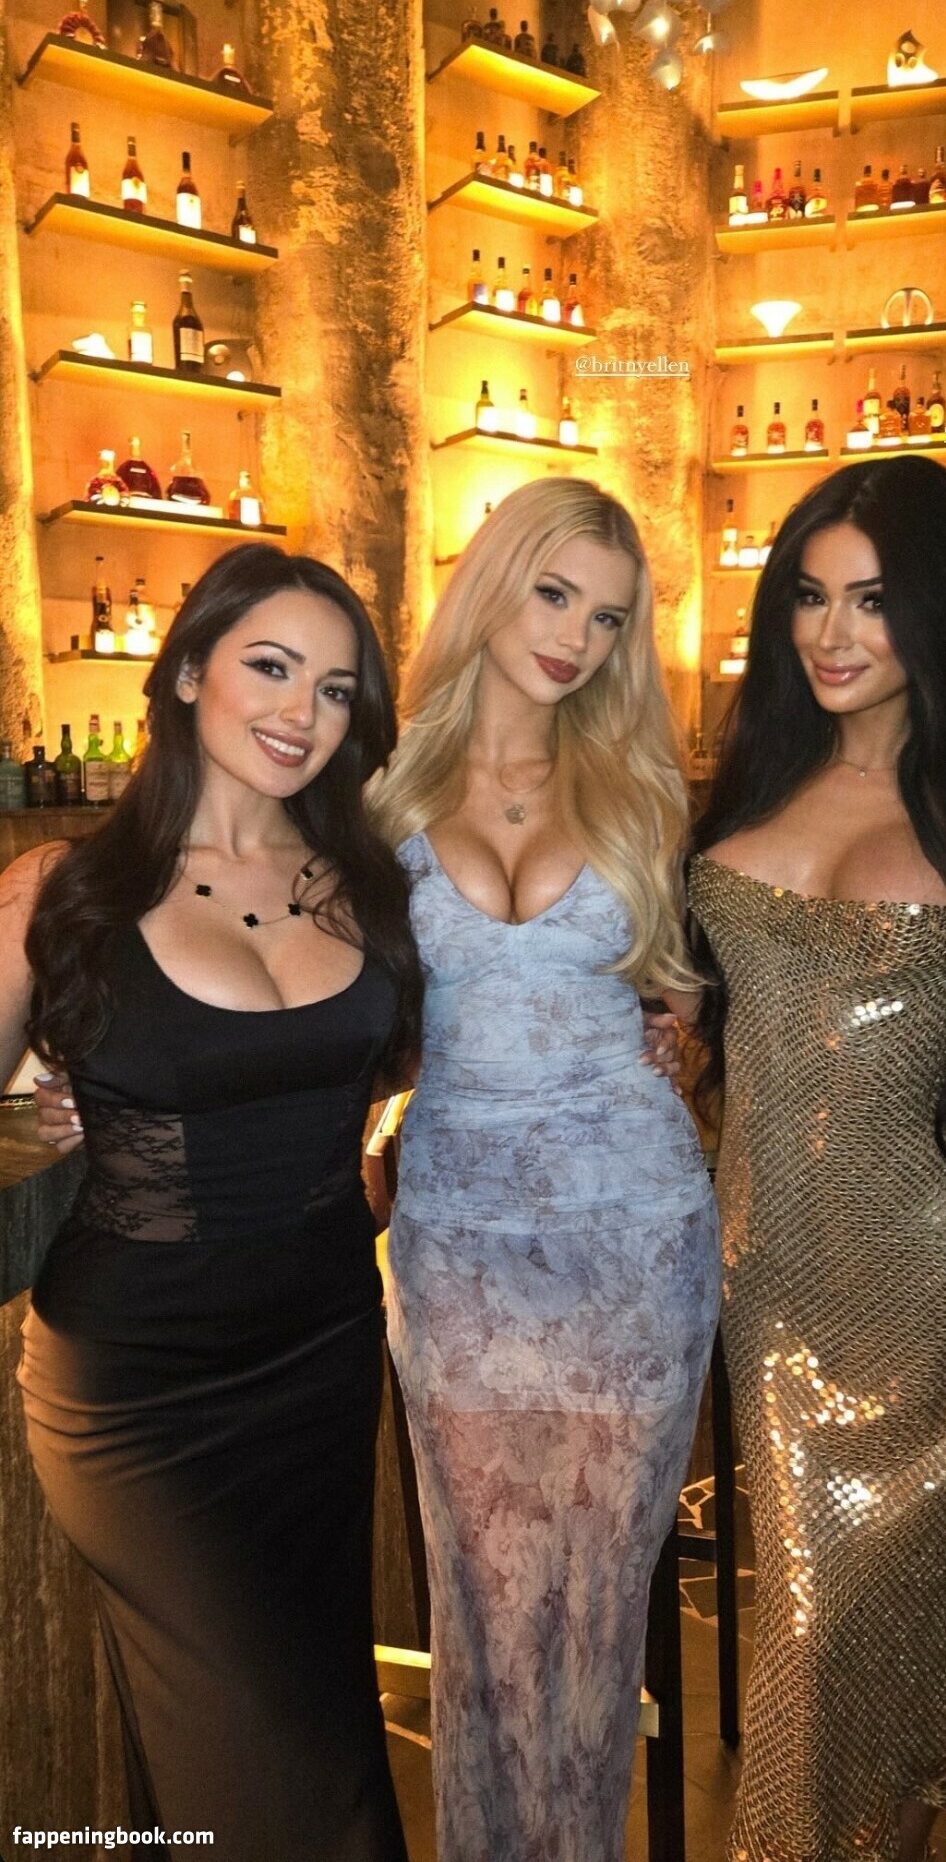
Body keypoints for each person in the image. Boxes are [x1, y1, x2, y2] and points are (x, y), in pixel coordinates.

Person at [0, 545, 422, 1860]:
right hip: (138, 1391)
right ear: (188, 671)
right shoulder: (61, 891)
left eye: (336, 689)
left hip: (321, 1361)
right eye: (272, 667)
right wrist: (23, 1121)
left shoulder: (372, 884)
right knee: (283, 1767)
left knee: (312, 1724)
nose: (304, 712)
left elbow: (416, 1075)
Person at [685, 455, 946, 1862]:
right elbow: (708, 1021)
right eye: (809, 596)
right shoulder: (743, 788)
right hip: (774, 1284)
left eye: (872, 600)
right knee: (818, 1628)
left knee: (879, 1638)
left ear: (940, 614)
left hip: (942, 1292)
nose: (832, 633)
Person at [364, 477, 721, 1862]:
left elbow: (684, 998)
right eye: (554, 594)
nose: (576, 637)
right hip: (458, 1247)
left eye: (609, 617)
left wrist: (681, 1036)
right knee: (483, 1604)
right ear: (493, 584)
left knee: (596, 1615)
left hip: (635, 1242)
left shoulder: (643, 792)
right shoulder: (381, 788)